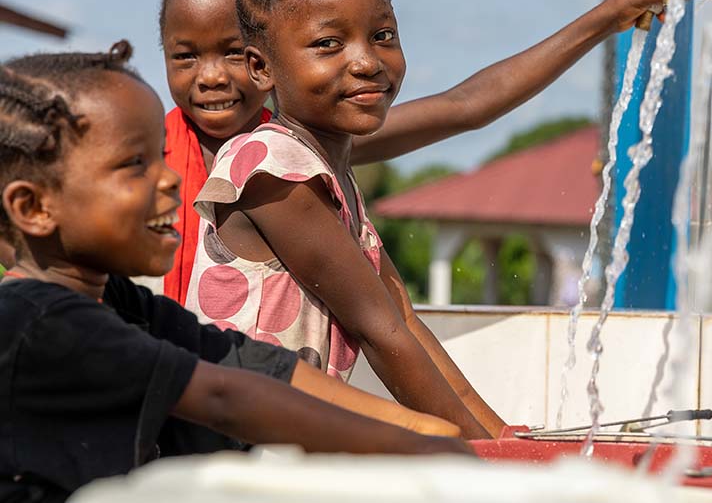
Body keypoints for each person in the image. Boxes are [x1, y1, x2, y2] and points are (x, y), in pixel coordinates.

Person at [187, 0, 671, 440]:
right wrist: (484, 460)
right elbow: (381, 332)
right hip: (228, 453)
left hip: (277, 449)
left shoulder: (329, 168)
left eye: (383, 36)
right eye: (329, 43)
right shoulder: (271, 168)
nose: (367, 61)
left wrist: (503, 439)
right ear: (261, 68)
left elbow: (405, 321)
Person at [0, 46, 469, 503]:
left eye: (161, 156)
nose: (169, 179)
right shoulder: (39, 321)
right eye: (134, 165)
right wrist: (416, 448)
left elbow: (258, 368)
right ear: (33, 207)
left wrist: (421, 430)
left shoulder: (118, 301)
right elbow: (225, 396)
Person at [160, 0, 674, 303]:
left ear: (262, 58)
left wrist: (609, 18)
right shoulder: (149, 157)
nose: (212, 78)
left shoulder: (303, 151)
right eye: (186, 56)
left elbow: (467, 104)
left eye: (230, 53)